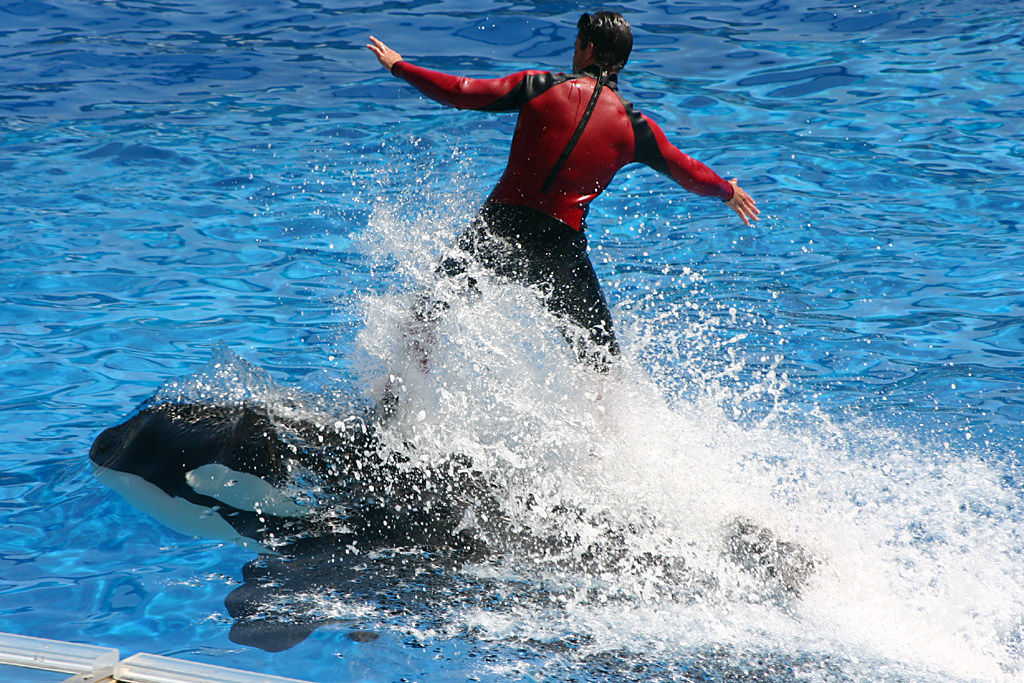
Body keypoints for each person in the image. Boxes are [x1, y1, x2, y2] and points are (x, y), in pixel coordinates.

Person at [367, 12, 758, 373]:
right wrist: (728, 192)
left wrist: (400, 67)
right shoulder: (635, 128)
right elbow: (690, 173)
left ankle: (396, 412)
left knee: (425, 317)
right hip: (559, 245)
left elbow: (461, 91)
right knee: (601, 362)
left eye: (576, 44)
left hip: (501, 228)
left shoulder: (539, 86)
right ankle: (607, 447)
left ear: (587, 48)